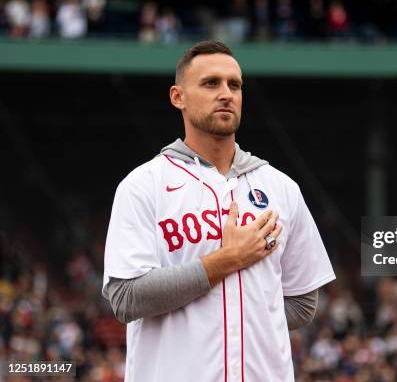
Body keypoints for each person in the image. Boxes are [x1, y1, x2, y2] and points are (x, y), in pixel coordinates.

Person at [102, 41, 335, 382]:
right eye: (210, 83)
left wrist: (233, 318)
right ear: (178, 97)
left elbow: (301, 303)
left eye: (234, 85)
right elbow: (125, 298)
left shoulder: (281, 187)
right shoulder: (144, 185)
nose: (226, 93)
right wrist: (228, 260)